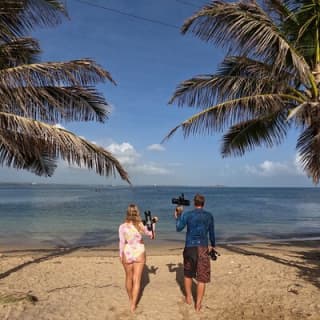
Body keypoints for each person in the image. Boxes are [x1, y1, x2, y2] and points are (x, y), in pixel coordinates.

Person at [174, 193, 215, 312]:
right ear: (203, 203)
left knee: (188, 274)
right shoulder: (209, 216)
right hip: (202, 247)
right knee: (202, 278)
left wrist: (177, 216)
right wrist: (213, 245)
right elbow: (212, 232)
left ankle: (188, 297)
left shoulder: (187, 214)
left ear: (194, 202)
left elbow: (178, 228)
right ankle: (198, 304)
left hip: (190, 247)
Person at [119, 204, 158, 313]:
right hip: (139, 252)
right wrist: (153, 223)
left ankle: (131, 299)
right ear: (137, 213)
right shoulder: (140, 225)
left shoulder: (122, 226)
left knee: (128, 277)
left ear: (127, 213)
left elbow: (122, 243)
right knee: (137, 280)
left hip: (127, 251)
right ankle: (133, 305)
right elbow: (152, 235)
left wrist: (120, 255)